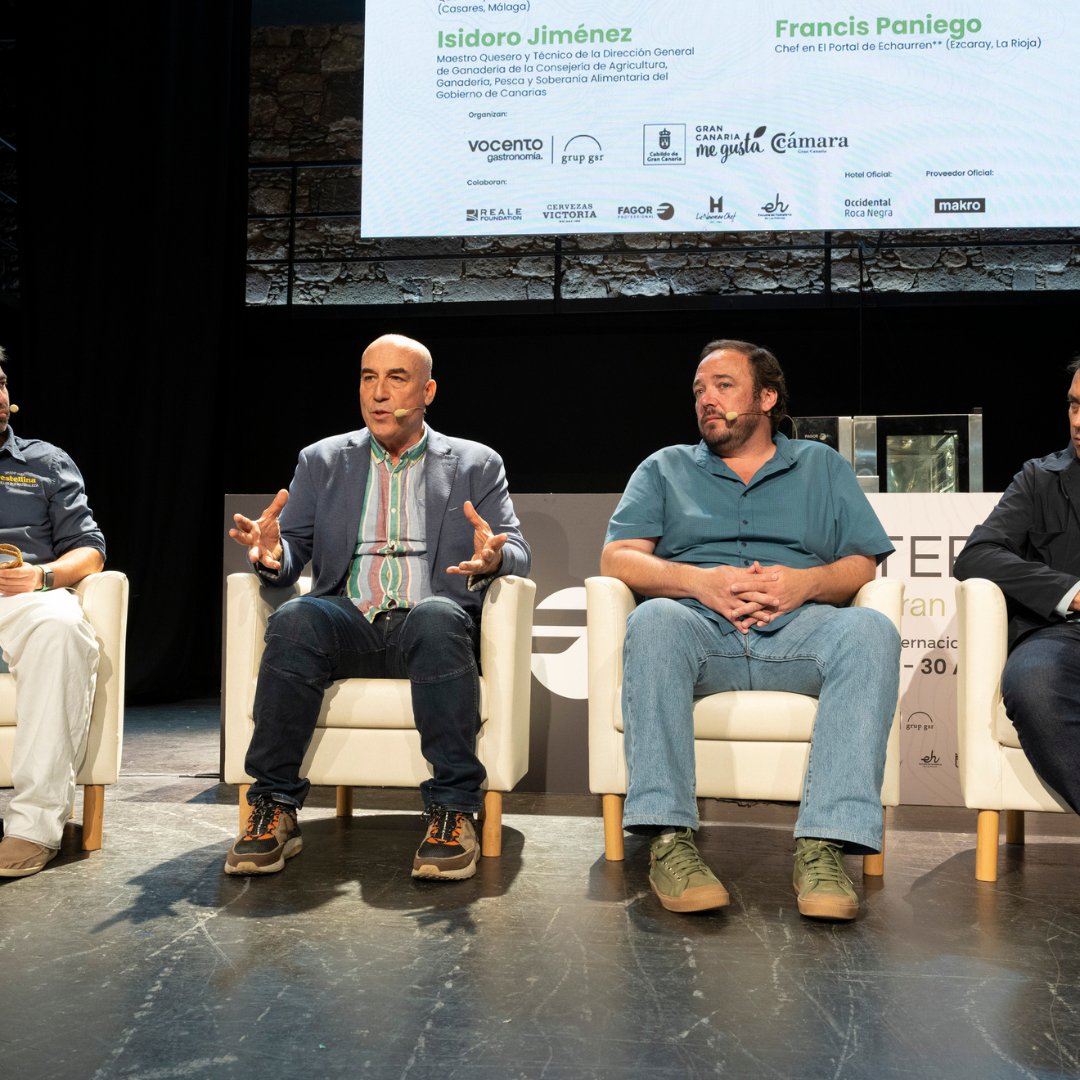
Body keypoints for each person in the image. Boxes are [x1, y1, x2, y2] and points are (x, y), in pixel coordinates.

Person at [601, 339, 900, 920]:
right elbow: (618, 559)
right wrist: (697, 582)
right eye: (698, 391)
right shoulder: (664, 468)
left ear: (766, 397)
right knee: (654, 619)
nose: (706, 400)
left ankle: (823, 847)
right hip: (699, 630)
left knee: (871, 632)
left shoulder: (821, 466)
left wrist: (804, 584)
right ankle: (669, 841)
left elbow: (862, 563)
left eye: (723, 386)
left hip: (798, 630)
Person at [226, 333, 530, 881]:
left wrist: (493, 557)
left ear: (428, 391)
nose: (379, 393)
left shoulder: (474, 463)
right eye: (369, 378)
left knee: (438, 617)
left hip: (429, 623)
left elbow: (516, 549)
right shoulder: (321, 460)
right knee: (295, 618)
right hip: (350, 623)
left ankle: (452, 810)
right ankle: (271, 808)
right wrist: (272, 554)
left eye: (397, 379)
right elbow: (291, 554)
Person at [953, 357, 1080, 814]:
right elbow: (976, 555)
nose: (1079, 422)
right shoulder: (1039, 479)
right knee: (1034, 683)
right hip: (1063, 634)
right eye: (1074, 406)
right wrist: (1071, 591)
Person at [0, 347, 106, 878]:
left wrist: (42, 576)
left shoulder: (44, 462)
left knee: (63, 627)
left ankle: (32, 826)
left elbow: (90, 548)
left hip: (23, 593)